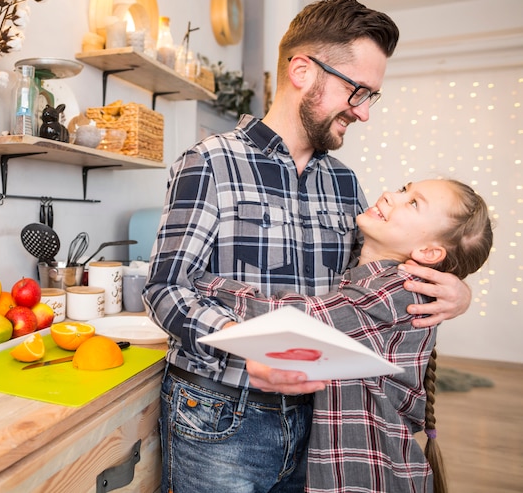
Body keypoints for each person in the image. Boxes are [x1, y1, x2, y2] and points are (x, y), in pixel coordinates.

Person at [143, 0, 472, 493]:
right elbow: (166, 288)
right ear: (302, 70)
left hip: (324, 420)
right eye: (357, 91)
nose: (362, 113)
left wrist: (458, 291)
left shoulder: (344, 183)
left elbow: (379, 281)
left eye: (370, 97)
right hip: (220, 416)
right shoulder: (209, 161)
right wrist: (246, 344)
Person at [194, 178, 493, 493]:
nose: (391, 194)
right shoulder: (366, 281)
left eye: (413, 203)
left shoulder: (397, 293)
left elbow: (291, 319)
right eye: (404, 189)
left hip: (372, 476)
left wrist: (200, 281)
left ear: (428, 252)